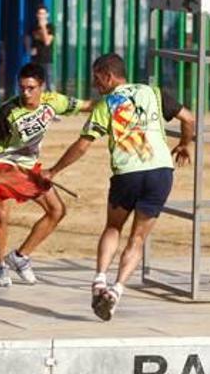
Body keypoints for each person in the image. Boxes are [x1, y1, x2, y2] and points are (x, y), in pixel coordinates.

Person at [45, 53, 195, 321]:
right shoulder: (154, 93)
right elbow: (189, 118)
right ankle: (117, 290)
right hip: (161, 172)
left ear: (108, 75)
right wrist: (185, 144)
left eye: (96, 78)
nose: (94, 84)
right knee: (137, 239)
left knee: (113, 227)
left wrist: (54, 170)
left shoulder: (107, 104)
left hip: (128, 174)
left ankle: (99, 281)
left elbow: (82, 145)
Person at [0, 63, 92, 287]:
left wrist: (114, 100)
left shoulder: (53, 101)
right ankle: (0, 265)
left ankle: (20, 257)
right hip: (1, 164)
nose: (25, 93)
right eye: (22, 88)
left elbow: (88, 105)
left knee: (57, 210)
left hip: (28, 167)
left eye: (31, 88)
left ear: (42, 87)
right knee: (1, 214)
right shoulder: (8, 111)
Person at [28, 5, 54, 91]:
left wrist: (43, 27)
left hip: (46, 60)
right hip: (35, 59)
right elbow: (27, 38)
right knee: (37, 83)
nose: (41, 16)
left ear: (47, 15)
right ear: (37, 15)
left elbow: (47, 41)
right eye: (39, 13)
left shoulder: (50, 27)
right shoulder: (33, 27)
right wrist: (29, 49)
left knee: (49, 84)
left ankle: (54, 103)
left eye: (43, 14)